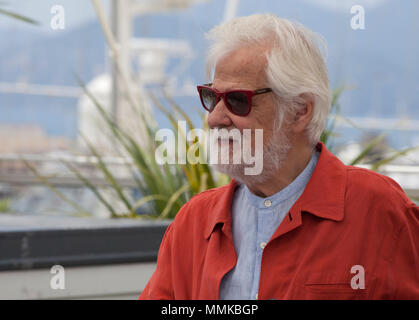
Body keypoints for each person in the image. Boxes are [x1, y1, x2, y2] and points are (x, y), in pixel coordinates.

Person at [139, 14, 419, 300]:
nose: (214, 118)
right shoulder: (194, 223)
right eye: (211, 97)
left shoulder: (380, 213)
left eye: (238, 100)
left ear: (300, 110)